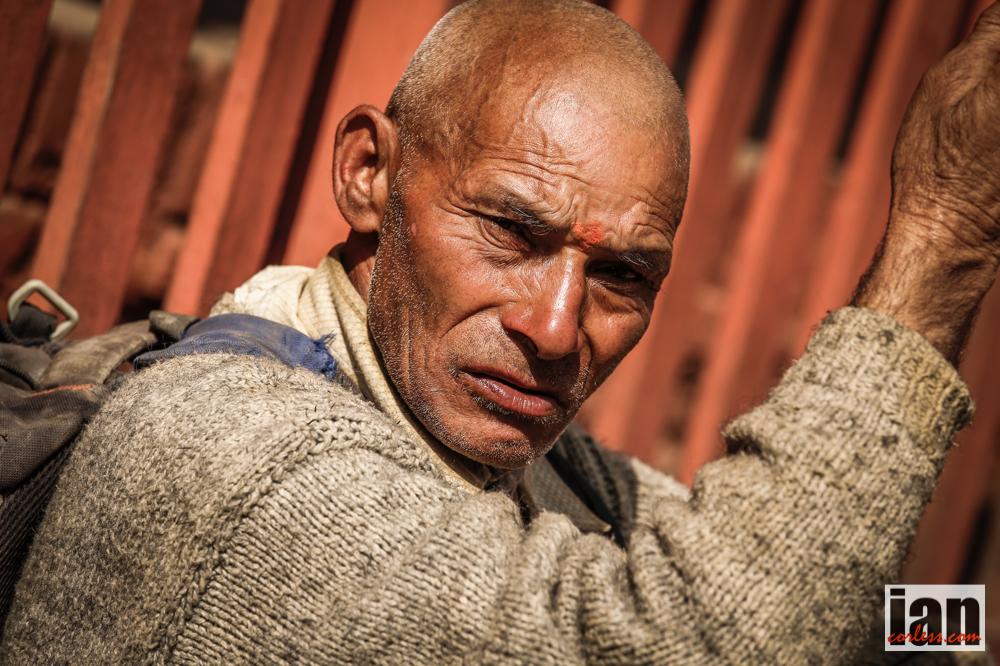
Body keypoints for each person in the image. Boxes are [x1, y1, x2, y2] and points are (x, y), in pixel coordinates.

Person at [2, 0, 999, 663]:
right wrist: (943, 235)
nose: (556, 330)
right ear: (368, 173)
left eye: (622, 275)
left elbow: (837, 603)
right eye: (512, 232)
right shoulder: (235, 450)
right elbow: (723, 641)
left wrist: (959, 629)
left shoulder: (549, 477)